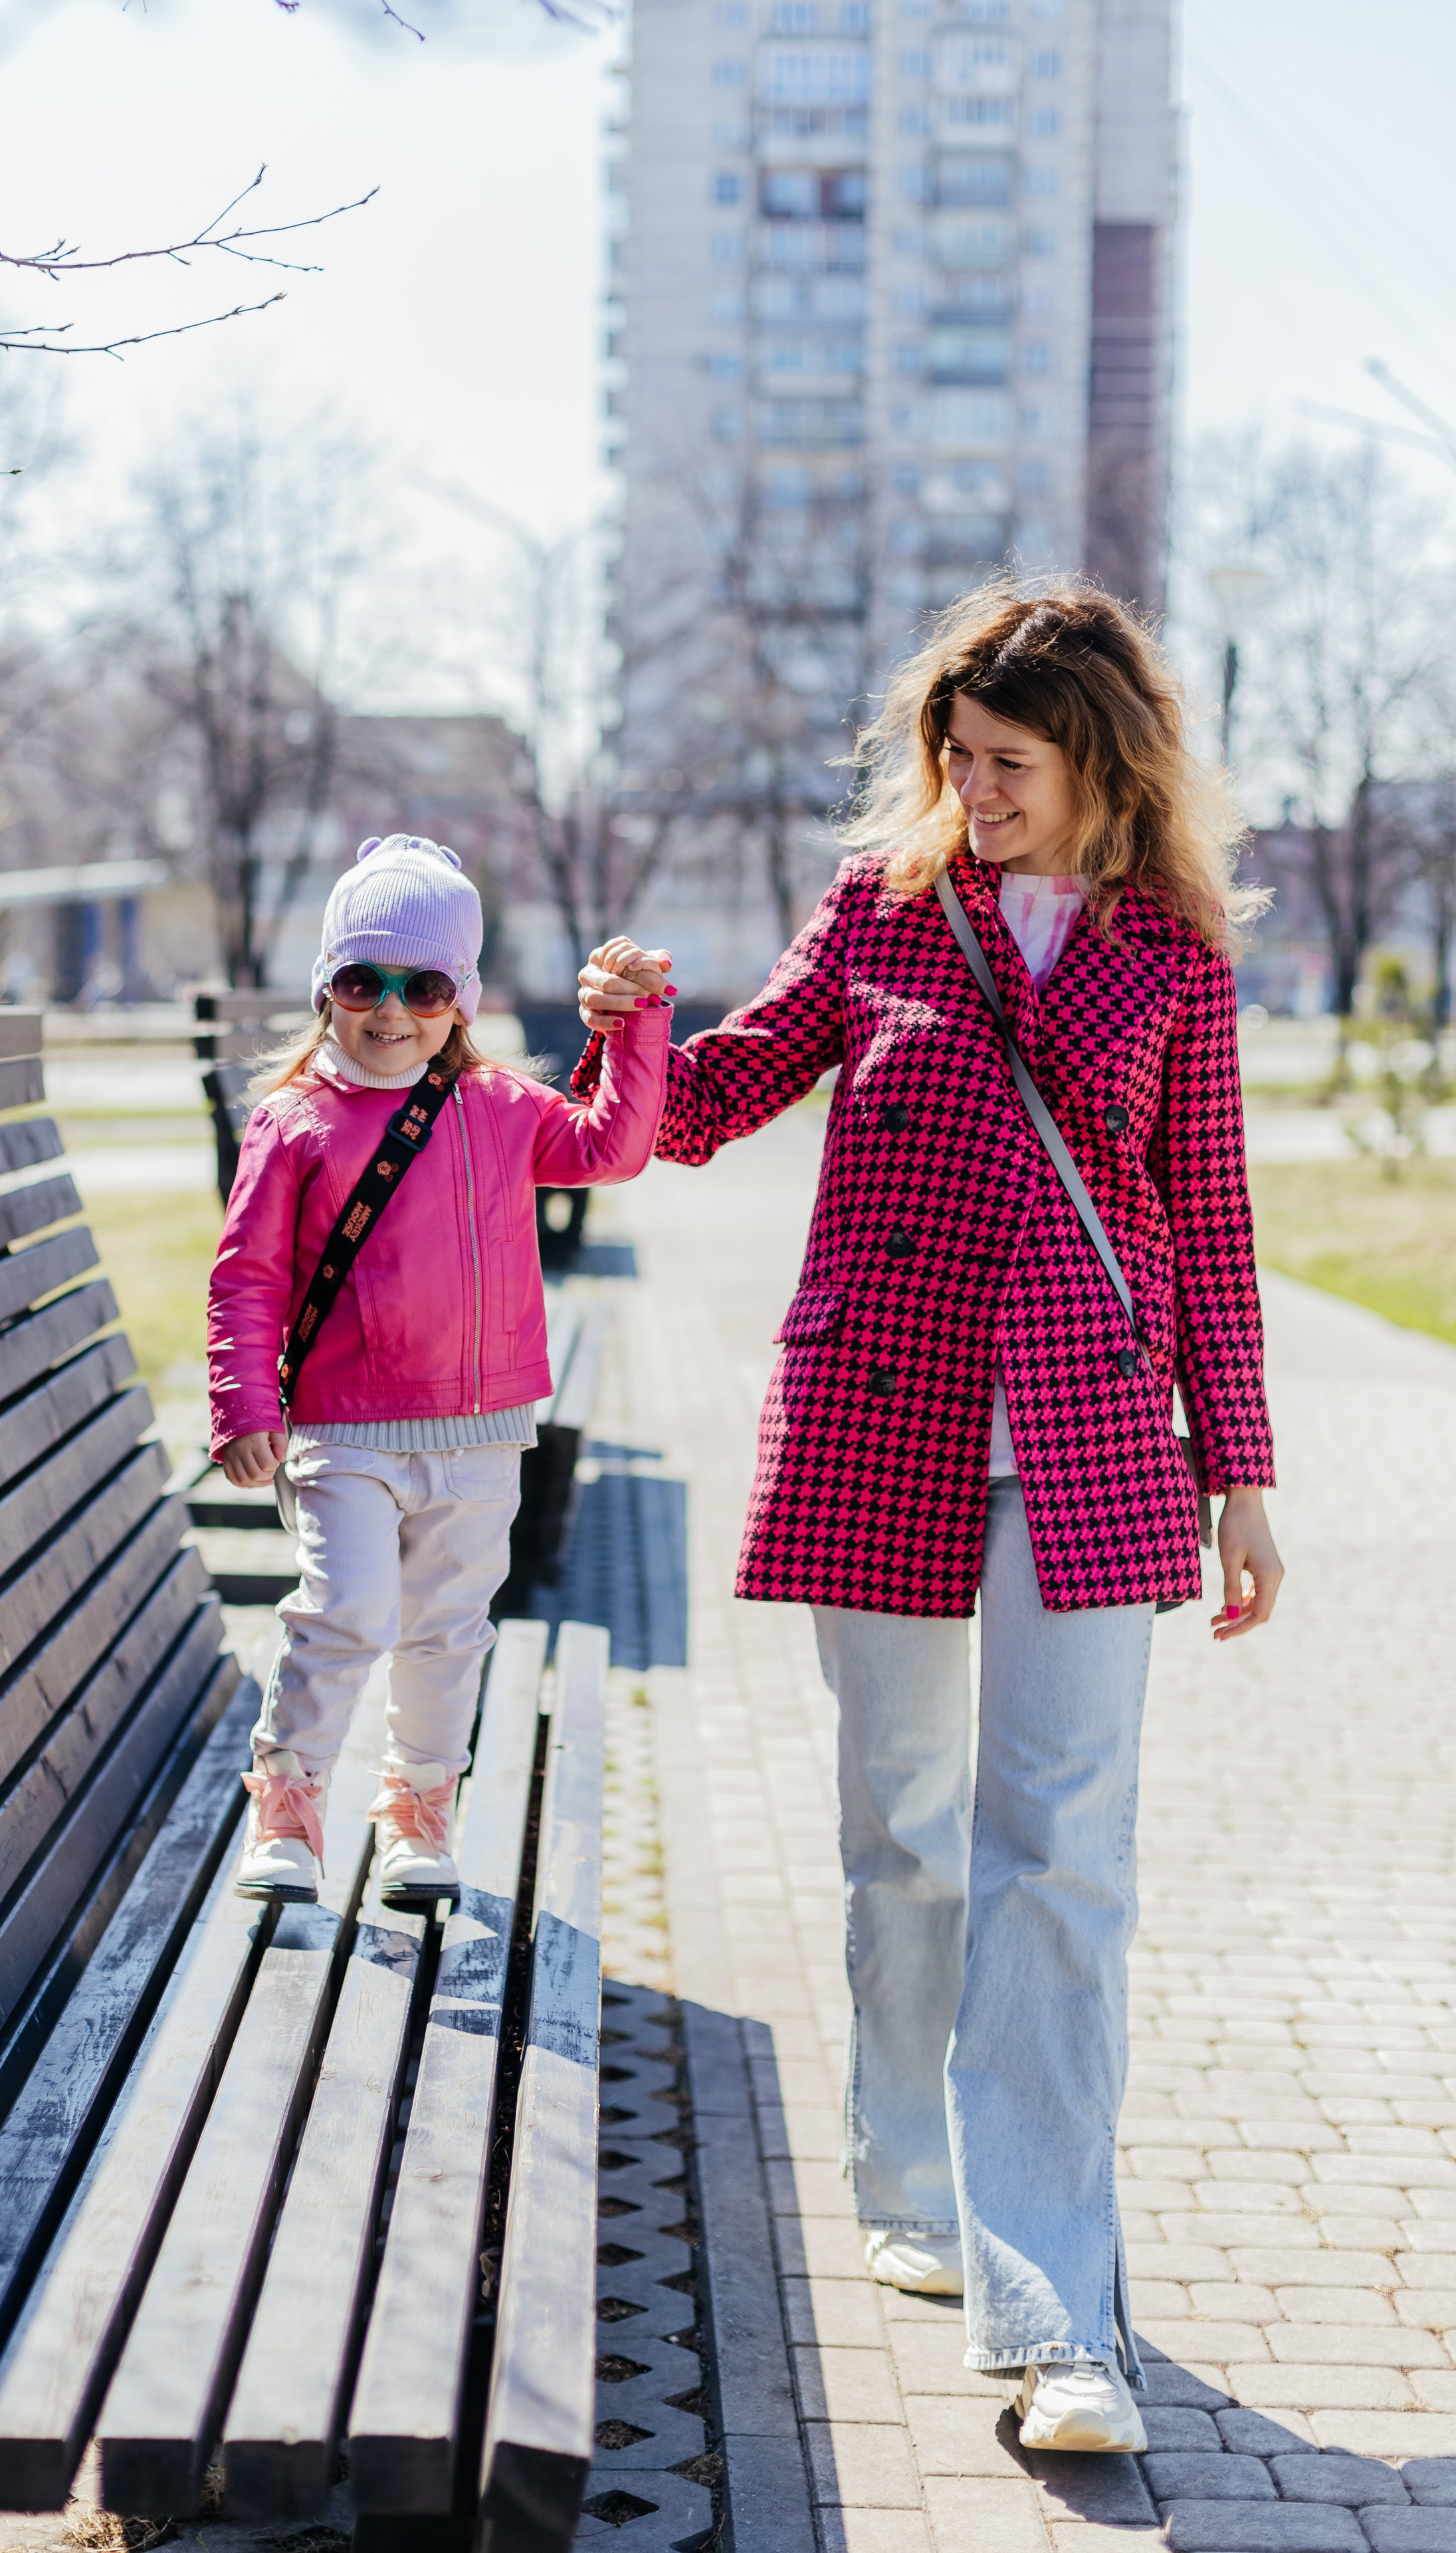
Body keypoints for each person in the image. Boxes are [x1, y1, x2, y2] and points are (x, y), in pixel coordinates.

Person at [576, 582, 1284, 2455]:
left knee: (1060, 1860)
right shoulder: (883, 913)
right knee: (903, 1837)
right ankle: (909, 2183)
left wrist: (1247, 1476)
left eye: (1011, 765)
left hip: (1090, 1436)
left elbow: (1207, 1226)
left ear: (1099, 762)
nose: (974, 790)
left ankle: (1059, 2312)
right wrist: (634, 1037)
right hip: (881, 1409)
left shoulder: (1174, 954)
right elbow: (720, 1097)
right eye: (956, 759)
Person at [208, 832, 671, 1910]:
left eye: (422, 985)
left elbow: (613, 1148)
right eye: (362, 981)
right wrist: (242, 1401)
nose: (389, 1009)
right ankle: (289, 1803)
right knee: (348, 1610)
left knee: (448, 1629)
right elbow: (247, 1281)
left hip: (481, 1430)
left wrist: (637, 1023)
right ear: (329, 986)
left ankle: (419, 1812)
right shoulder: (294, 1123)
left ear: (458, 998)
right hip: (346, 1428)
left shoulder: (503, 1111)